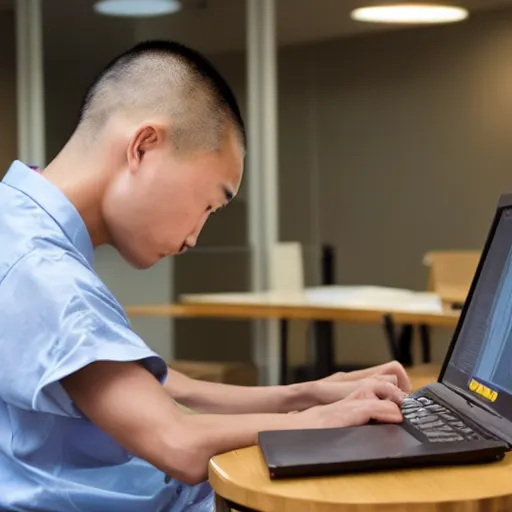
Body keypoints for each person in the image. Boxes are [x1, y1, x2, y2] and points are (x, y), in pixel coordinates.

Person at [0, 40, 411, 511]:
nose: (196, 235)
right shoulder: (45, 273)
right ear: (143, 146)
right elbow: (178, 443)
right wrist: (327, 419)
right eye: (210, 203)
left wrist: (308, 393)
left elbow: (171, 389)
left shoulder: (17, 221)